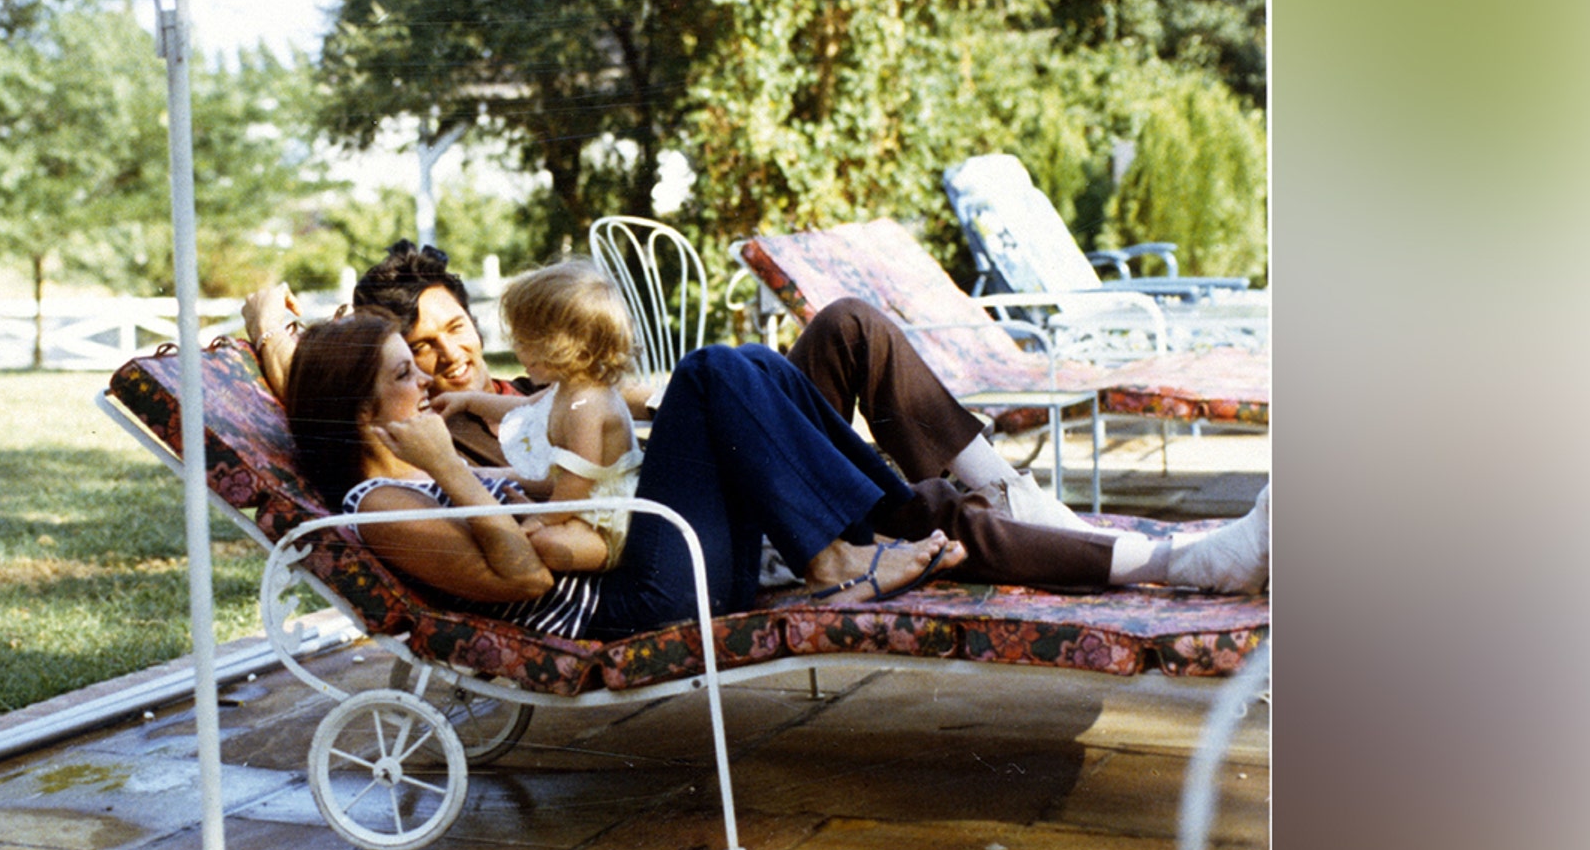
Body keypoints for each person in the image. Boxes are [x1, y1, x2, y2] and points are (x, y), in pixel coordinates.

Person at [247, 241, 1268, 599]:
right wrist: (267, 327)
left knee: (845, 327)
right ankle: (1149, 558)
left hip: (687, 499)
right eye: (415, 358)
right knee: (720, 376)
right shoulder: (419, 451)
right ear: (375, 391)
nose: (446, 362)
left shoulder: (501, 396)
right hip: (669, 543)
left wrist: (646, 401)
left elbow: (617, 416)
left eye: (456, 332)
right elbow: (324, 399)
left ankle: (1005, 498)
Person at [284, 311, 959, 640]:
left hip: (655, 570)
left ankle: (890, 516)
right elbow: (525, 577)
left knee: (747, 361)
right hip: (638, 606)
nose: (427, 377)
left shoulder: (414, 479)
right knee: (706, 374)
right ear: (360, 412)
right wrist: (448, 465)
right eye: (406, 372)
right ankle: (838, 555)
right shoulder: (381, 507)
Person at [432, 260, 644, 573]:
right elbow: (523, 408)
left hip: (607, 517)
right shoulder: (567, 388)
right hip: (576, 503)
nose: (516, 350)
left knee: (545, 544)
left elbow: (578, 479)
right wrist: (467, 402)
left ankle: (616, 561)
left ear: (565, 346)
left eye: (524, 341)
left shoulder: (588, 404)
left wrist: (542, 517)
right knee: (527, 527)